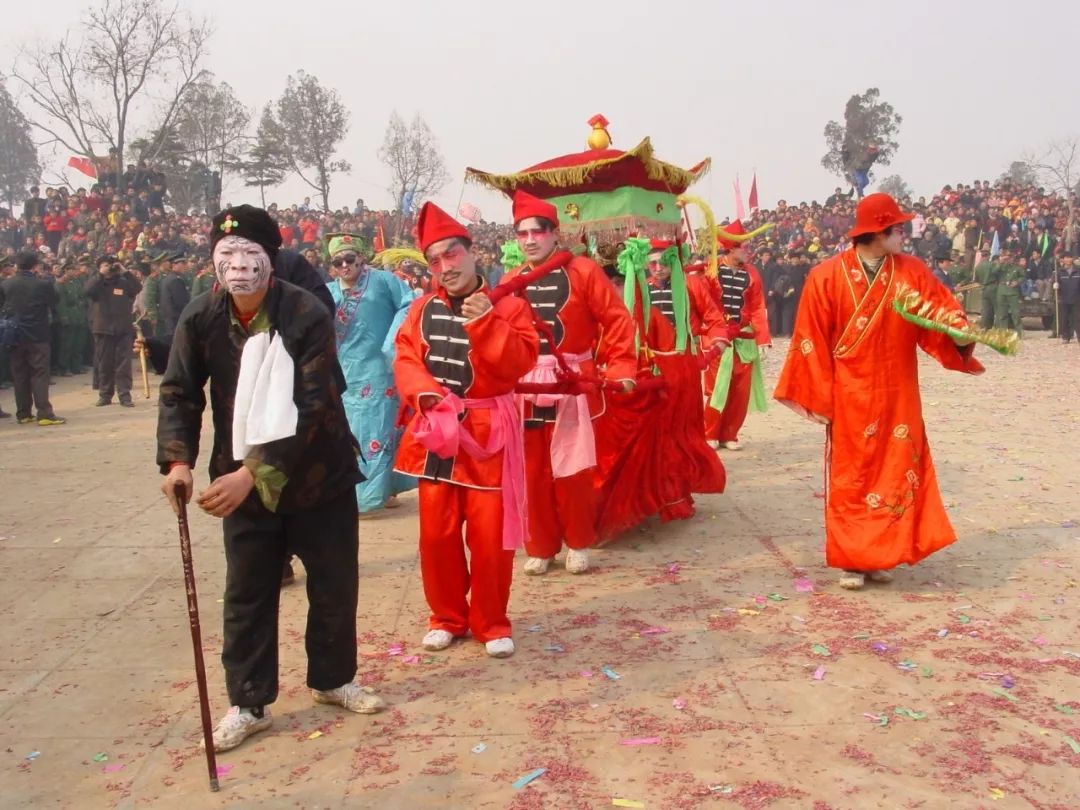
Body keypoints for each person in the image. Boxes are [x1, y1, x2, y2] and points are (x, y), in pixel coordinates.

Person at [156, 204, 386, 753]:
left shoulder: (305, 313)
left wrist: (253, 471)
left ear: (272, 260)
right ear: (213, 261)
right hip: (237, 484)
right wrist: (178, 460)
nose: (238, 267)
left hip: (317, 475)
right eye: (227, 255)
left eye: (250, 255)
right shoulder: (201, 317)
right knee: (248, 592)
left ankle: (333, 679)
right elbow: (179, 392)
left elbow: (314, 406)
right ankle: (249, 701)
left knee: (333, 586)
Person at [774, 193, 984, 591]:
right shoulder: (826, 276)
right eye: (898, 229)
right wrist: (818, 397)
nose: (905, 236)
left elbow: (940, 313)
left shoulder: (912, 272)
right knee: (853, 476)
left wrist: (958, 333)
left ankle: (881, 554)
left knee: (894, 471)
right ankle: (853, 559)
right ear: (876, 233)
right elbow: (810, 340)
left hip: (898, 390)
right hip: (850, 393)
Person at [392, 202, 538, 658]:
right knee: (435, 535)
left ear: (472, 253)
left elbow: (518, 364)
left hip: (487, 434)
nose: (444, 267)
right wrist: (425, 395)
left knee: (490, 536)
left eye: (451, 255)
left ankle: (492, 622)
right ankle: (447, 617)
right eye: (434, 261)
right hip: (436, 436)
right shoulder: (420, 310)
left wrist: (485, 322)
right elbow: (405, 358)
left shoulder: (509, 306)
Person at [499, 191, 637, 576]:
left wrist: (621, 366)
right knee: (531, 471)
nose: (529, 239)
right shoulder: (510, 280)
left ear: (554, 234)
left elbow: (617, 320)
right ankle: (541, 546)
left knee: (572, 471)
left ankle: (578, 541)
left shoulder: (584, 271)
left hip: (571, 383)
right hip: (523, 389)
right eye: (521, 233)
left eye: (537, 231)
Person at [326, 233, 416, 515]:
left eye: (349, 259)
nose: (344, 266)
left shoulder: (384, 282)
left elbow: (409, 304)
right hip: (345, 373)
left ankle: (367, 497)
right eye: (337, 262)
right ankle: (379, 489)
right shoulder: (328, 291)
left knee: (377, 431)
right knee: (353, 432)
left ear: (361, 258)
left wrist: (393, 341)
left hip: (380, 369)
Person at [703, 221, 771, 451]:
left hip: (744, 337)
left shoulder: (752, 273)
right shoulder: (711, 270)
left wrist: (763, 338)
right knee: (717, 387)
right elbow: (705, 302)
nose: (747, 251)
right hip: (719, 337)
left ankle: (730, 434)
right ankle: (710, 431)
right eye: (743, 247)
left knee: (741, 389)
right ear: (731, 249)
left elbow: (757, 305)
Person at [0, 251, 65, 425]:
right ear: (35, 266)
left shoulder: (6, 284)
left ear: (16, 265)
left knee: (19, 375)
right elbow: (54, 301)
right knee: (39, 374)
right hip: (38, 335)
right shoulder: (42, 285)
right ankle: (44, 413)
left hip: (14, 335)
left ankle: (23, 413)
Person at [85, 255, 141, 407]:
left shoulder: (122, 282)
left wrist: (125, 272)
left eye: (111, 265)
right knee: (105, 363)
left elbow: (137, 288)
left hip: (122, 328)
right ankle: (105, 394)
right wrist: (100, 274)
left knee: (123, 364)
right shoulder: (97, 282)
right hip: (103, 328)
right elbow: (88, 290)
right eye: (105, 265)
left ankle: (124, 394)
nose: (110, 267)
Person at [158, 254, 191, 340]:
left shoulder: (168, 278)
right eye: (183, 263)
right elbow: (181, 302)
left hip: (170, 319)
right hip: (176, 319)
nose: (185, 266)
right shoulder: (175, 280)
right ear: (174, 265)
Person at [994, 248, 1024, 337]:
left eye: (1010, 257)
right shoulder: (1001, 266)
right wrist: (1000, 262)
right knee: (1002, 313)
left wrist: (1017, 282)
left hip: (1012, 291)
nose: (1009, 259)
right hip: (1002, 291)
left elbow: (1023, 276)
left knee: (1016, 313)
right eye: (1007, 257)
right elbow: (994, 272)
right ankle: (1003, 332)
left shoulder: (1017, 267)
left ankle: (1019, 332)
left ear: (1013, 258)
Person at [1055, 255, 1080, 344]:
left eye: (1069, 257)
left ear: (1072, 259)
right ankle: (1066, 337)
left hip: (1077, 298)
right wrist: (1055, 286)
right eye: (1066, 257)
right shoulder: (1059, 272)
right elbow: (1054, 282)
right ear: (1063, 259)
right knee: (1064, 318)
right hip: (1064, 298)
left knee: (1077, 318)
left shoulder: (1078, 270)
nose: (1068, 259)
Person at [972, 251, 1000, 329]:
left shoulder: (977, 267)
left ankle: (984, 327)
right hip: (993, 287)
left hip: (984, 289)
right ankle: (998, 327)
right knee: (997, 308)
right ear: (988, 256)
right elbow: (997, 273)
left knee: (985, 310)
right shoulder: (991, 265)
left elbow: (976, 280)